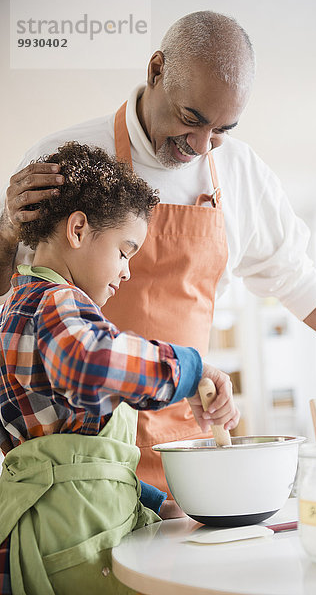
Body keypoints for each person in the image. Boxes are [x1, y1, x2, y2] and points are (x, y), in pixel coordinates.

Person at [1, 10, 316, 495]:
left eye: (223, 129)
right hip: (75, 465)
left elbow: (298, 282)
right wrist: (5, 235)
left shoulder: (241, 173)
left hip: (187, 451)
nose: (202, 145)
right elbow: (18, 312)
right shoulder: (65, 157)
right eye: (192, 119)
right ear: (155, 71)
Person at [0, 141, 239, 595]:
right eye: (125, 251)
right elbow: (91, 363)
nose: (127, 271)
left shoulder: (14, 305)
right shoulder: (55, 305)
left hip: (56, 527)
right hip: (79, 544)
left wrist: (152, 502)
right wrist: (191, 369)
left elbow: (74, 458)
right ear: (77, 230)